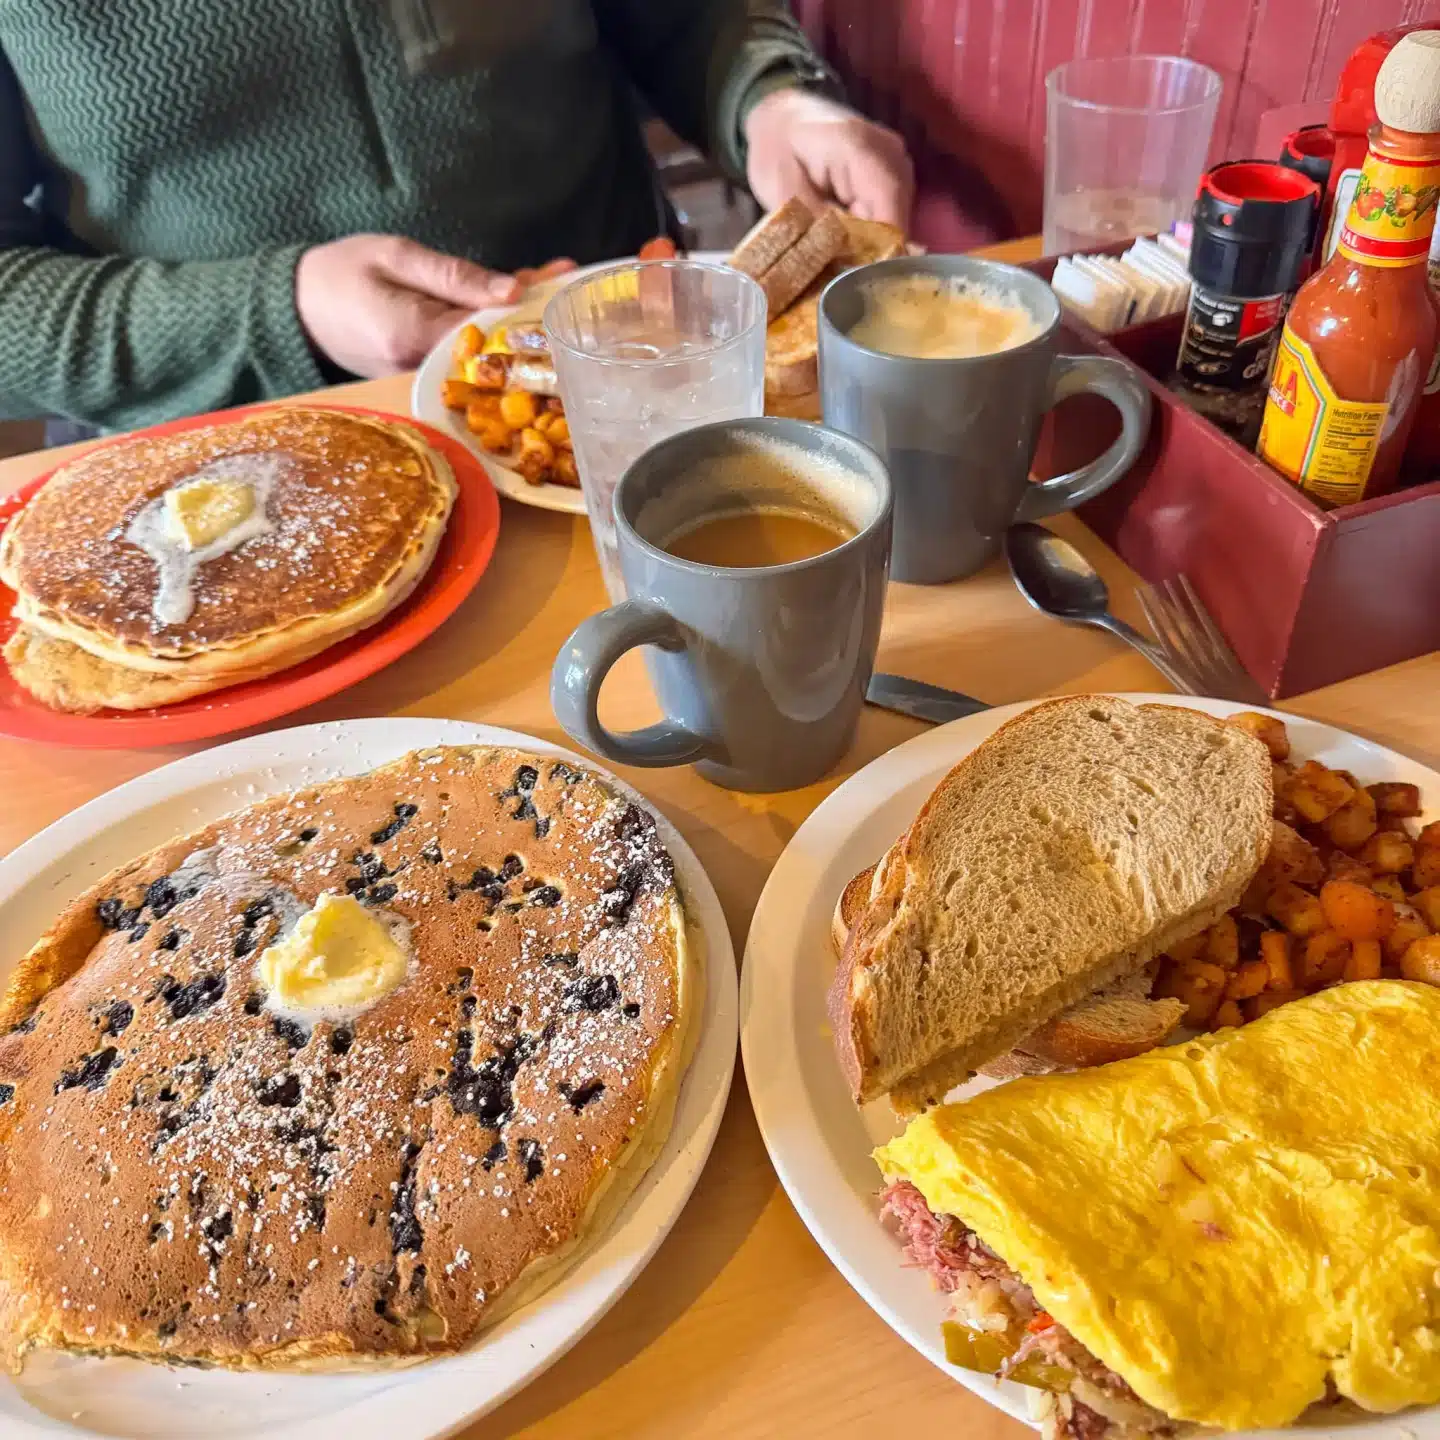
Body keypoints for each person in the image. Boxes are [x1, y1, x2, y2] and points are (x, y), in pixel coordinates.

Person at [0, 2, 912, 431]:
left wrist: (770, 97)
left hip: (638, 398)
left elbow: (686, 20)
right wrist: (279, 307)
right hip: (216, 468)